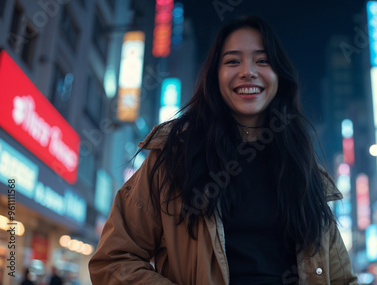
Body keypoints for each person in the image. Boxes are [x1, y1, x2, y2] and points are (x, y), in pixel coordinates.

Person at [89, 15, 358, 285]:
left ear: (279, 74)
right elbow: (114, 258)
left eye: (262, 60)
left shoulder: (305, 169)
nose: (248, 71)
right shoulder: (175, 158)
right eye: (232, 61)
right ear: (214, 75)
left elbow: (341, 279)